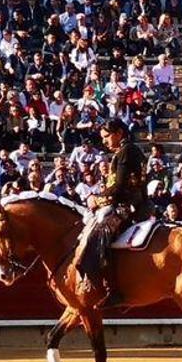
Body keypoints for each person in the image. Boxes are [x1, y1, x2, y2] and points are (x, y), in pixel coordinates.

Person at [74, 118, 148, 307]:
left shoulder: (125, 151)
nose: (104, 141)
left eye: (107, 136)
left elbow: (120, 186)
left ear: (119, 133)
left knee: (100, 235)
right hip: (132, 203)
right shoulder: (127, 150)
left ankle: (112, 288)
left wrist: (96, 198)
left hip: (128, 206)